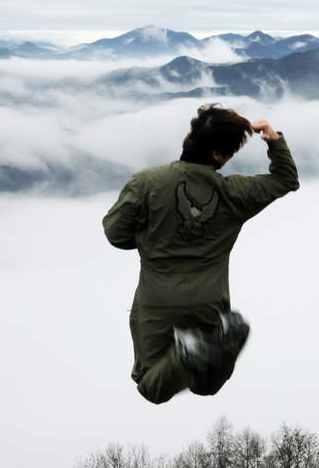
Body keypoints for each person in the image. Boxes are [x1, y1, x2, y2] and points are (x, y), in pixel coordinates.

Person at [103, 105, 298, 404]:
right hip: (211, 303)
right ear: (220, 155)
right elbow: (286, 180)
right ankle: (216, 343)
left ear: (190, 137)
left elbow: (115, 233)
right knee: (205, 384)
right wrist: (274, 140)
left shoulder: (146, 183)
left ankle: (188, 353)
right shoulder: (235, 193)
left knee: (151, 386)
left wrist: (149, 240)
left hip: (158, 303)